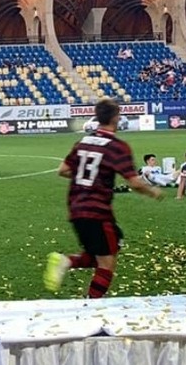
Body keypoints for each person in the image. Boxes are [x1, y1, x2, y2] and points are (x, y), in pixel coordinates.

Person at [44, 98, 160, 299]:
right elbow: (134, 183)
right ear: (116, 118)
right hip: (97, 212)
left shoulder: (83, 142)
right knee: (107, 263)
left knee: (104, 251)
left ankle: (67, 262)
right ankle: (92, 304)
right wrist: (153, 192)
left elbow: (63, 170)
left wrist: (89, 177)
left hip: (76, 209)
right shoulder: (117, 146)